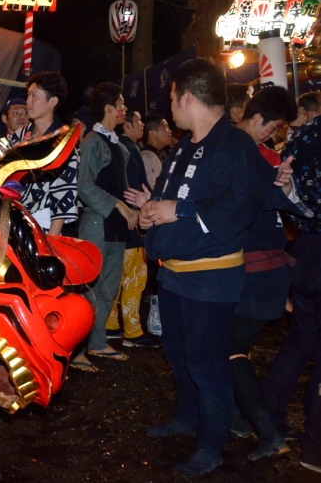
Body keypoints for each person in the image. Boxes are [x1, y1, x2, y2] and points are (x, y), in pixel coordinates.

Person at [140, 58, 263, 476]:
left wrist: (180, 209)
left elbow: (240, 207)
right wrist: (151, 211)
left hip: (212, 278)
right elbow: (167, 203)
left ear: (189, 97)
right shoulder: (183, 148)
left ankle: (211, 446)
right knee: (178, 354)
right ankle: (187, 417)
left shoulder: (235, 146)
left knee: (207, 364)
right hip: (175, 274)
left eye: (173, 98)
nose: (169, 106)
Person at [228, 85, 302, 462]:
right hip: (266, 271)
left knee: (232, 351)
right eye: (272, 128)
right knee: (237, 347)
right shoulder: (250, 155)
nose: (272, 136)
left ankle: (267, 432)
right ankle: (241, 419)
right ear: (254, 118)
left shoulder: (248, 155)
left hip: (255, 272)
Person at [265, 89, 321, 474]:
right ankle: (315, 448)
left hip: (305, 247)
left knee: (301, 338)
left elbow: (287, 192)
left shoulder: (299, 137)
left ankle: (269, 419)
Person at [72, 83, 137, 372]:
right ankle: (74, 350)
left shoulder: (118, 145)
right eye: (121, 103)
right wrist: (118, 205)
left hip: (115, 226)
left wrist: (131, 207)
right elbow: (84, 186)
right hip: (97, 223)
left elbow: (120, 188)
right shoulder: (92, 142)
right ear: (108, 108)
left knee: (108, 287)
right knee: (87, 287)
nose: (125, 108)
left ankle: (96, 342)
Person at [1, 70, 78, 236]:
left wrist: (51, 241)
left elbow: (63, 193)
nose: (28, 101)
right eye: (28, 95)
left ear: (53, 101)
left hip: (44, 227)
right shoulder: (19, 137)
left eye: (34, 96)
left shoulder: (64, 142)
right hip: (10, 220)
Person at [106, 110, 159, 349]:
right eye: (138, 122)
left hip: (114, 222)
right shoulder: (130, 150)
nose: (142, 126)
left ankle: (111, 326)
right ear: (126, 126)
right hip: (132, 221)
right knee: (135, 279)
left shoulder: (112, 146)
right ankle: (133, 331)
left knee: (115, 278)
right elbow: (137, 187)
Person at [0, 96, 29, 164]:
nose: (22, 116)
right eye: (16, 113)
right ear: (4, 118)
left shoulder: (36, 140)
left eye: (25, 113)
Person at [139, 113, 173, 189]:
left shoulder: (159, 153)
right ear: (152, 133)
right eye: (165, 127)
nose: (169, 131)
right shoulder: (149, 157)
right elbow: (154, 188)